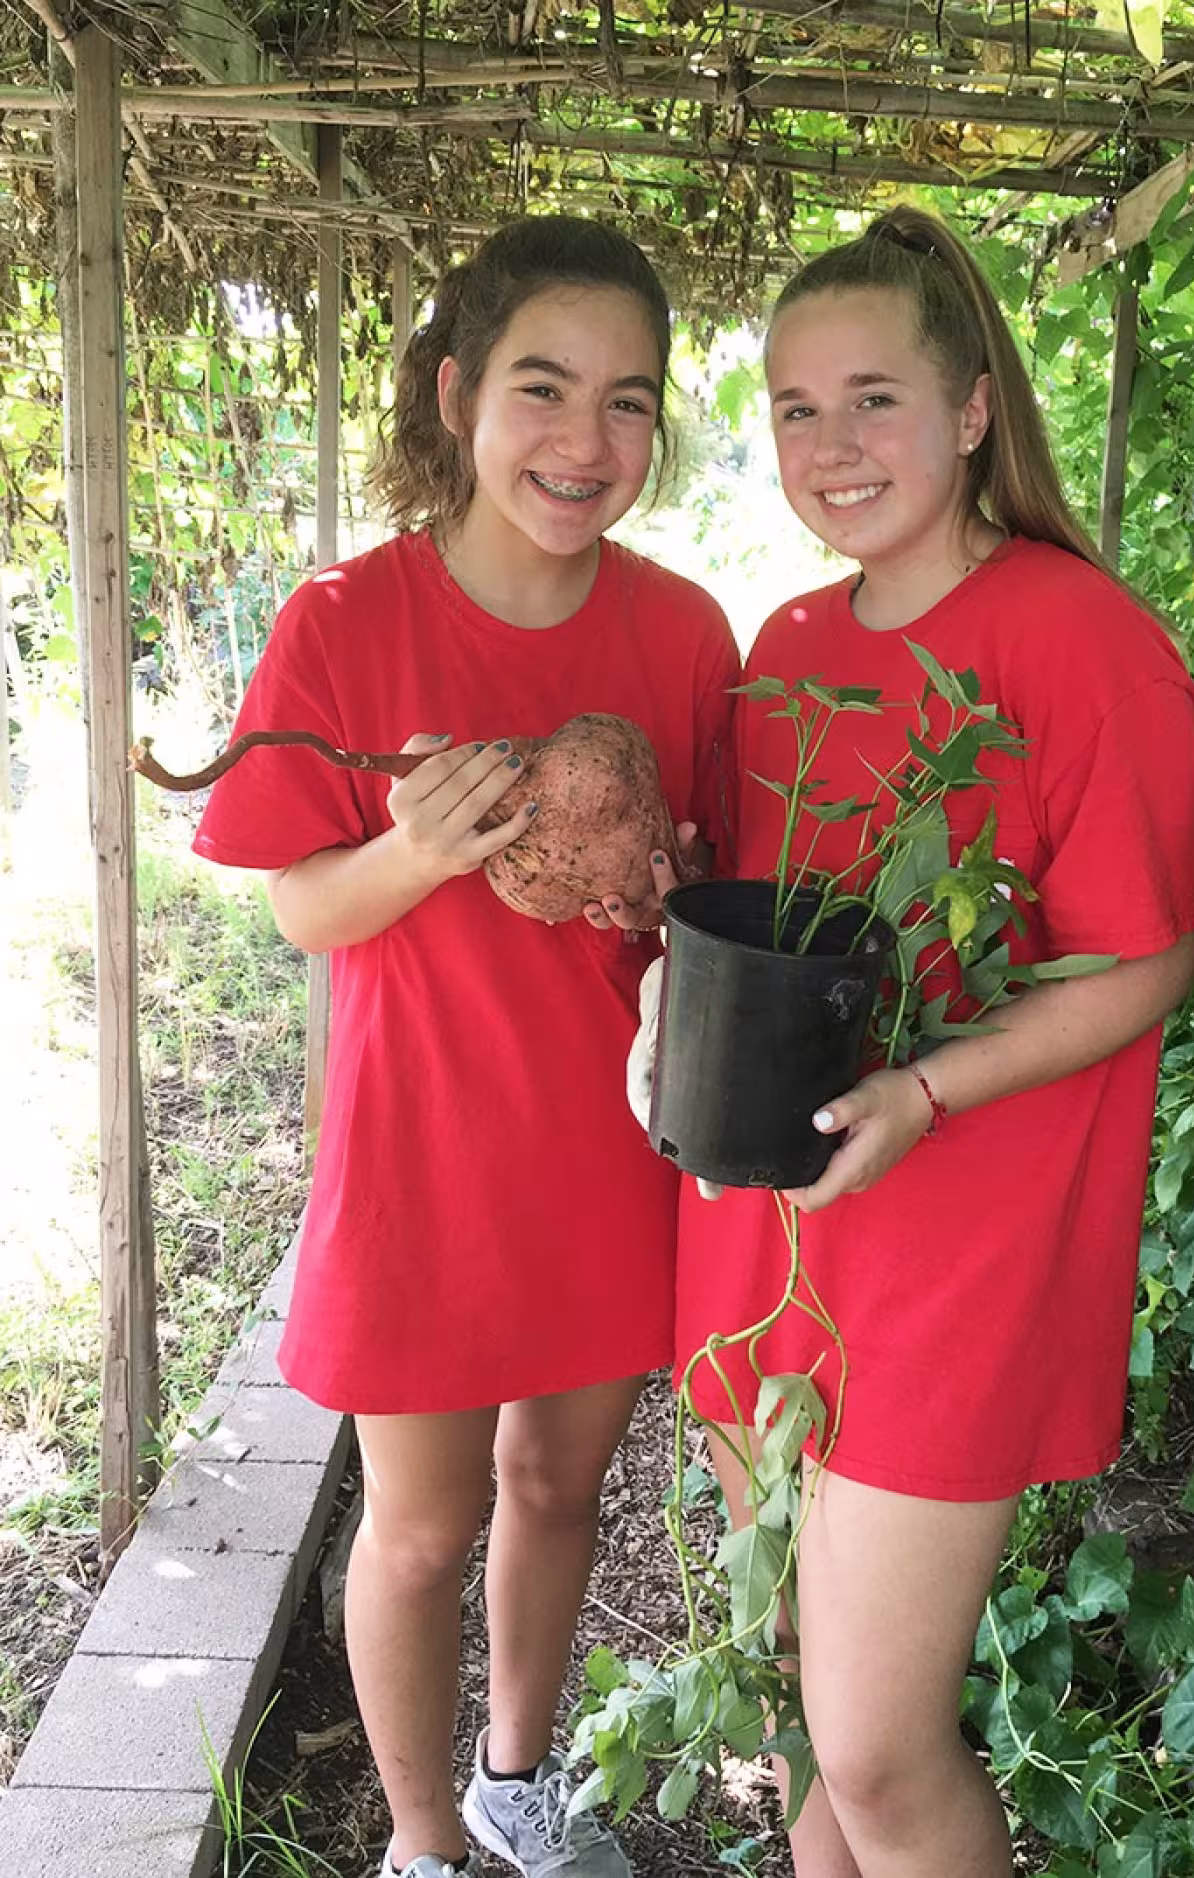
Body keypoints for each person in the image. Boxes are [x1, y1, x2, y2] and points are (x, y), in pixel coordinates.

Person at [646, 206, 1194, 1877]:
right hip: (784, 1226)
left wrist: (925, 1088)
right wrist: (663, 1014)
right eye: (797, 408)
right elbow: (747, 931)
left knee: (883, 1756)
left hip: (962, 1232)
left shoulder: (1084, 639)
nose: (832, 445)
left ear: (971, 412)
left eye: (874, 398)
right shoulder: (786, 652)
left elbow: (1145, 962)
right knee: (809, 1703)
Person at [193, 215, 739, 1878]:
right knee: (420, 1529)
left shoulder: (684, 635)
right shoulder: (346, 620)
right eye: (543, 387)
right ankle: (424, 1845)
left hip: (605, 1144)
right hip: (420, 1147)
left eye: (630, 400)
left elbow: (711, 886)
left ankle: (512, 1777)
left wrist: (672, 882)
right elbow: (301, 902)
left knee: (559, 1490)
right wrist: (419, 849)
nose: (588, 439)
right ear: (457, 395)